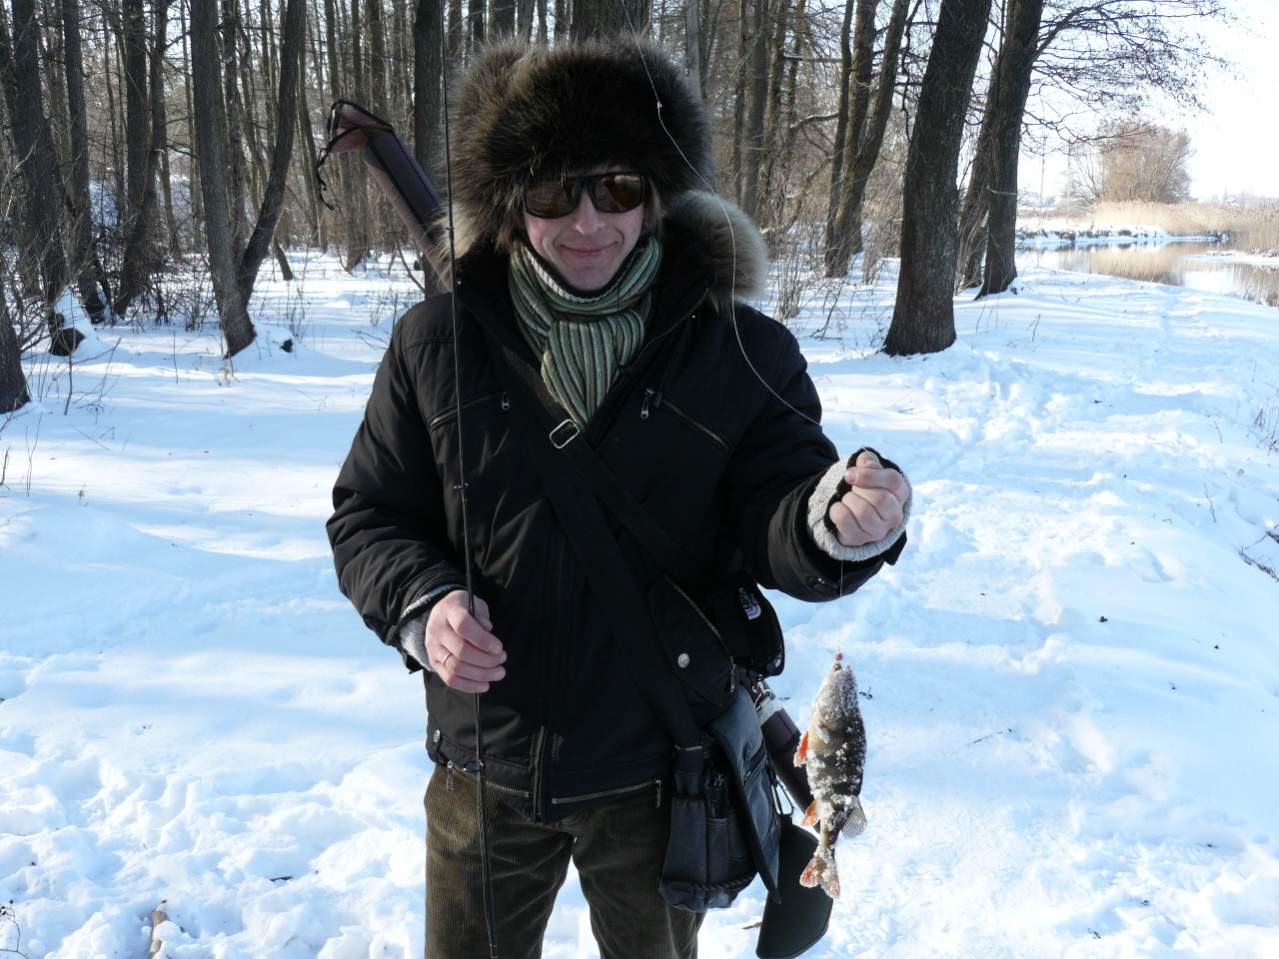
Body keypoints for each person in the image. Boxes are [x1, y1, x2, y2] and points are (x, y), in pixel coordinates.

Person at [326, 37, 911, 959]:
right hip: (486, 763)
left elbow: (781, 506)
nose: (587, 220)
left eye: (617, 187)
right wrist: (423, 604)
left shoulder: (743, 349)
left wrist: (835, 519)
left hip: (661, 767)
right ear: (510, 203)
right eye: (552, 193)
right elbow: (369, 516)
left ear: (657, 193)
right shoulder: (435, 344)